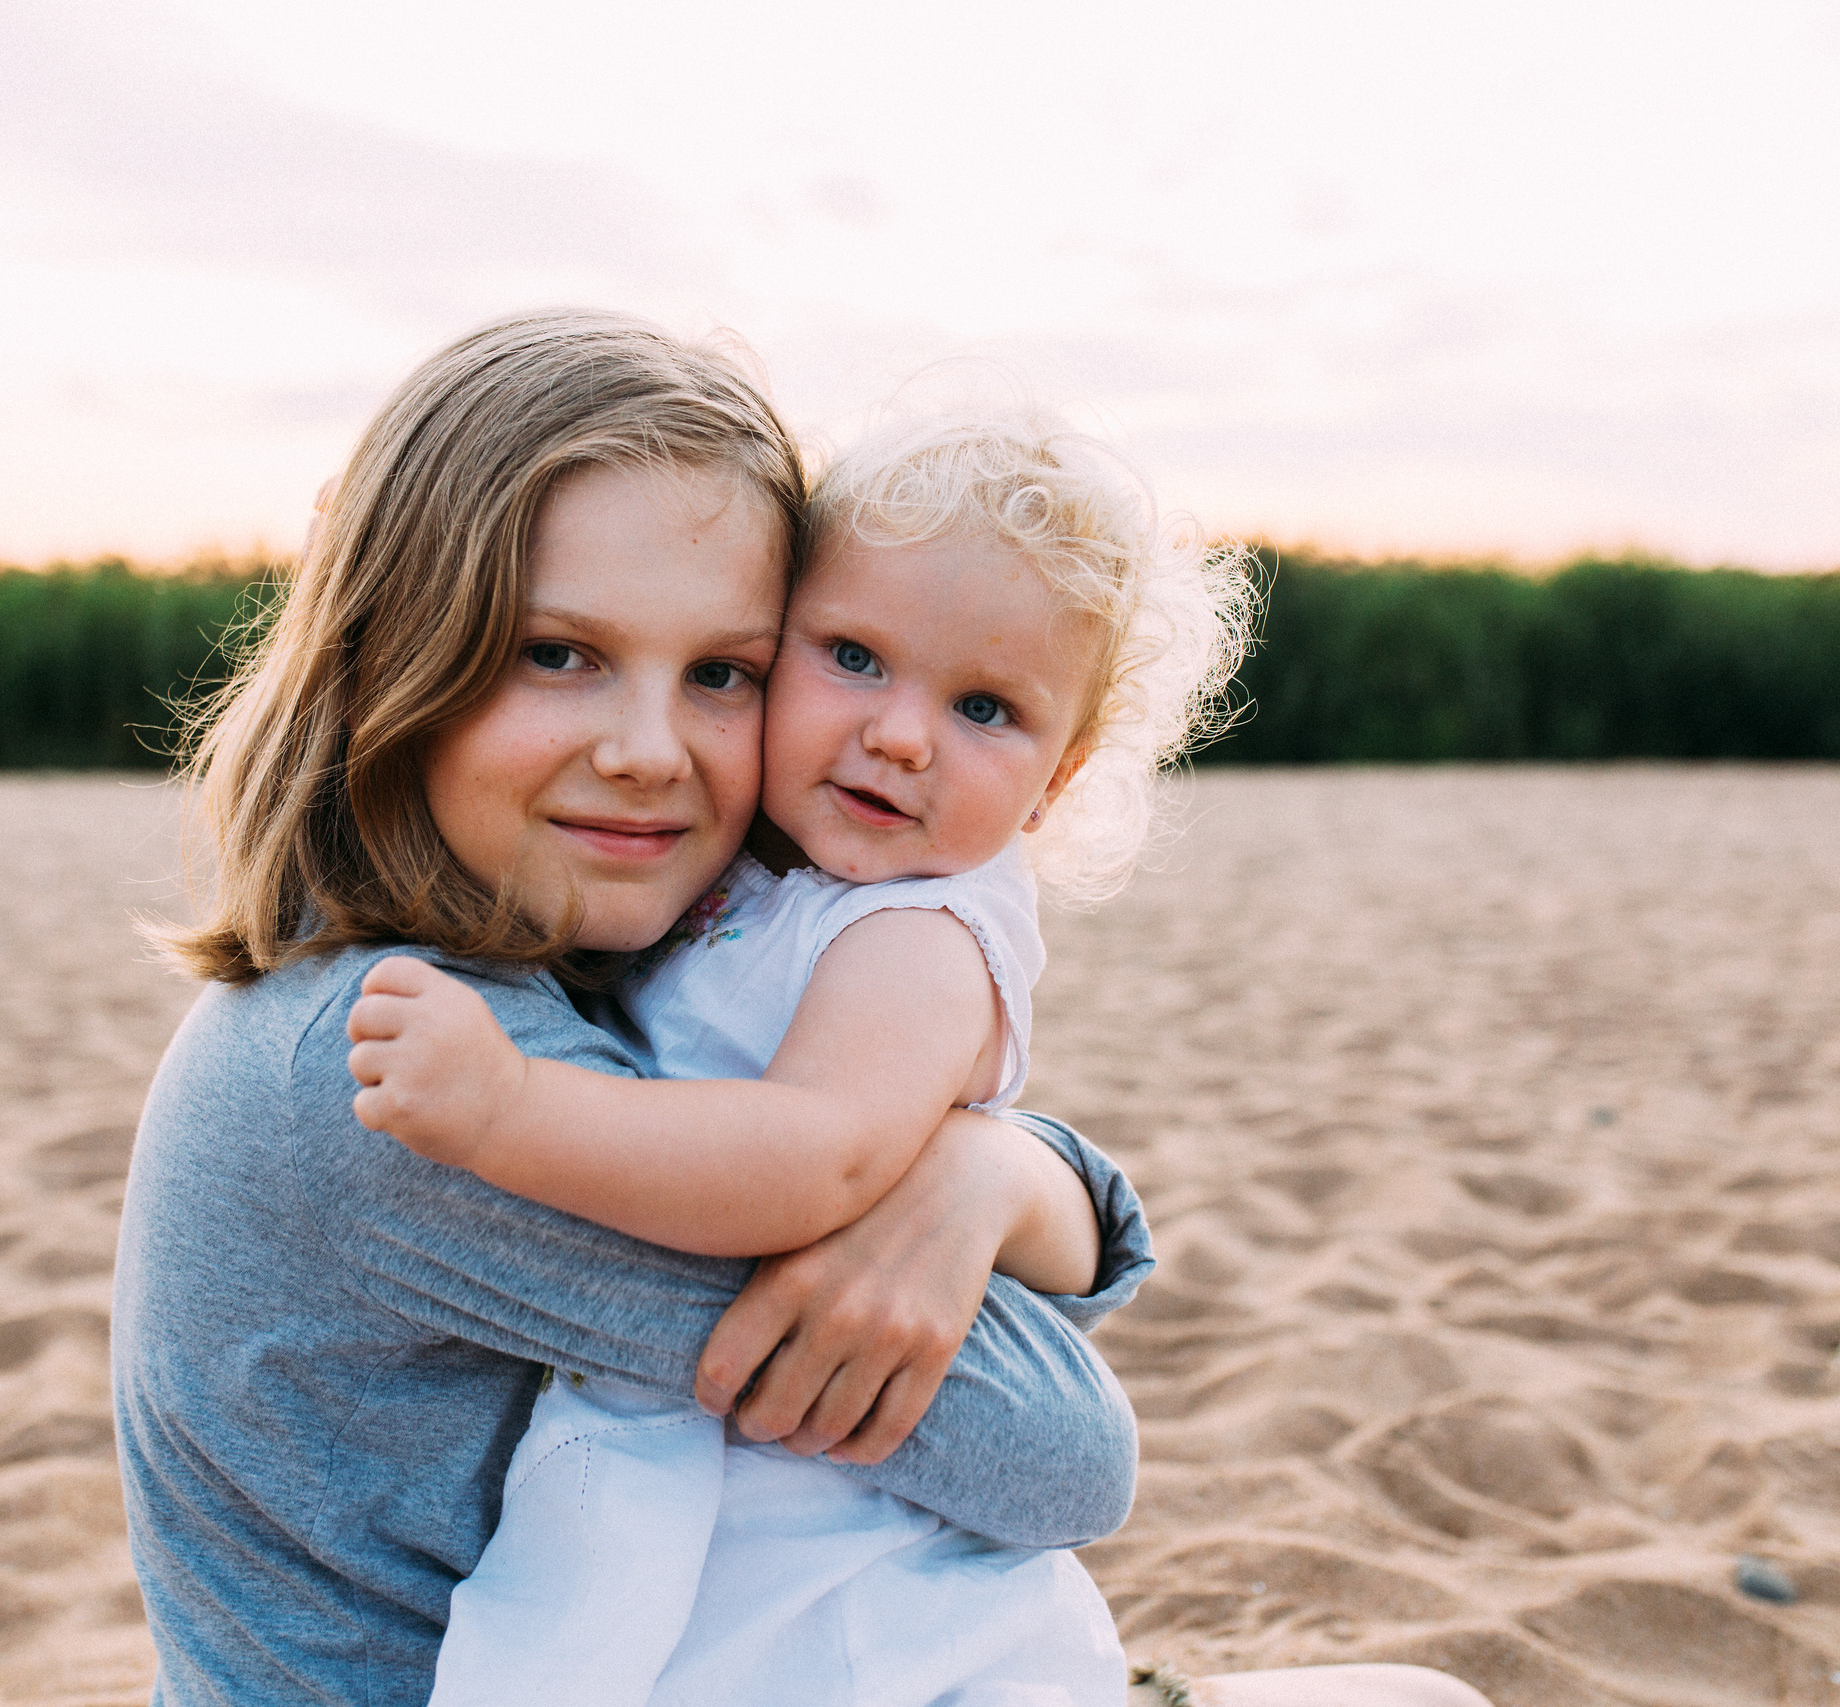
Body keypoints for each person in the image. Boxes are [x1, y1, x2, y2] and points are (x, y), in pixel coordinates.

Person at [112, 309, 1154, 1707]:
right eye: (558, 652)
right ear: (390, 643)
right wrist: (973, 1189)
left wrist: (990, 1170)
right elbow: (1059, 1451)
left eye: (720, 673)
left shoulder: (525, 982)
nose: (650, 753)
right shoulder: (395, 1074)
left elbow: (948, 1191)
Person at [345, 407, 1247, 1707]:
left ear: (1057, 781)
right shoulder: (768, 879)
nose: (901, 734)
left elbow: (813, 1159)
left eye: (985, 706)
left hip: (849, 1542)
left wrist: (508, 1107)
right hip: (690, 1452)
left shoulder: (922, 927)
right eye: (854, 658)